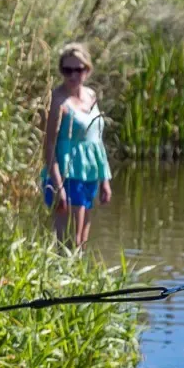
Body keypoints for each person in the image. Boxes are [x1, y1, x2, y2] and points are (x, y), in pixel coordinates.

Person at [41, 42, 112, 247]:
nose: (72, 76)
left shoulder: (91, 96)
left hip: (89, 172)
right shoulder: (58, 101)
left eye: (78, 70)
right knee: (68, 240)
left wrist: (104, 179)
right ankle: (60, 275)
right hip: (67, 174)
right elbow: (50, 146)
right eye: (67, 70)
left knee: (82, 239)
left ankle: (78, 275)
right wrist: (58, 186)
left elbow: (96, 138)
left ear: (87, 71)